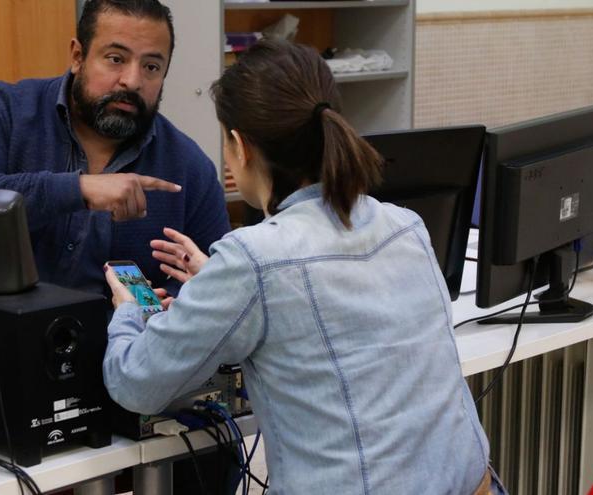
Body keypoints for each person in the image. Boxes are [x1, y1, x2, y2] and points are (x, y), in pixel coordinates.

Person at [103, 40, 503, 494]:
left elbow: (136, 385)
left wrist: (126, 310)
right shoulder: (404, 224)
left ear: (240, 146)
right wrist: (217, 289)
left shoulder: (253, 260)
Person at [0, 0, 229, 295]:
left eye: (151, 66)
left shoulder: (189, 168)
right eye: (116, 59)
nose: (132, 80)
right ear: (78, 56)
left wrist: (172, 306)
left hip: (121, 338)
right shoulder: (3, 110)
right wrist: (80, 190)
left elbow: (216, 283)